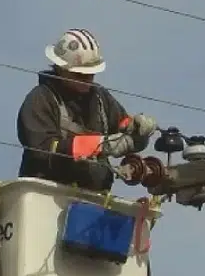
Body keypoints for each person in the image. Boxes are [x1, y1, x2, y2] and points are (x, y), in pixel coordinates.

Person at [16, 28, 157, 191]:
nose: (87, 80)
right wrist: (100, 145)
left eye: (91, 75)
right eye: (81, 75)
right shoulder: (41, 99)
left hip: (93, 199)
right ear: (62, 69)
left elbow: (123, 126)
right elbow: (42, 149)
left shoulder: (99, 99)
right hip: (47, 196)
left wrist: (137, 130)